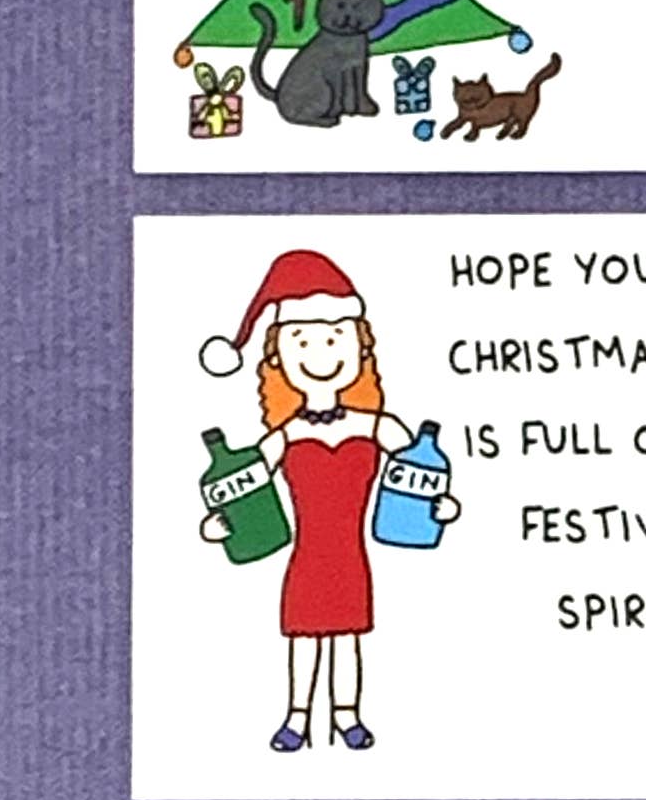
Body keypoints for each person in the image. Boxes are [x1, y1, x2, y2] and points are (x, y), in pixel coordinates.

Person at [196, 250, 459, 751]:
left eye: (335, 337)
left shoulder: (378, 426)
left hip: (351, 554)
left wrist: (441, 509)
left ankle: (347, 716)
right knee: (304, 638)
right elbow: (245, 485)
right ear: (277, 357)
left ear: (361, 346)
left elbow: (421, 472)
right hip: (307, 554)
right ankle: (296, 717)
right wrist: (218, 525)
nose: (320, 352)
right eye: (302, 339)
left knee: (347, 637)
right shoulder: (286, 434)